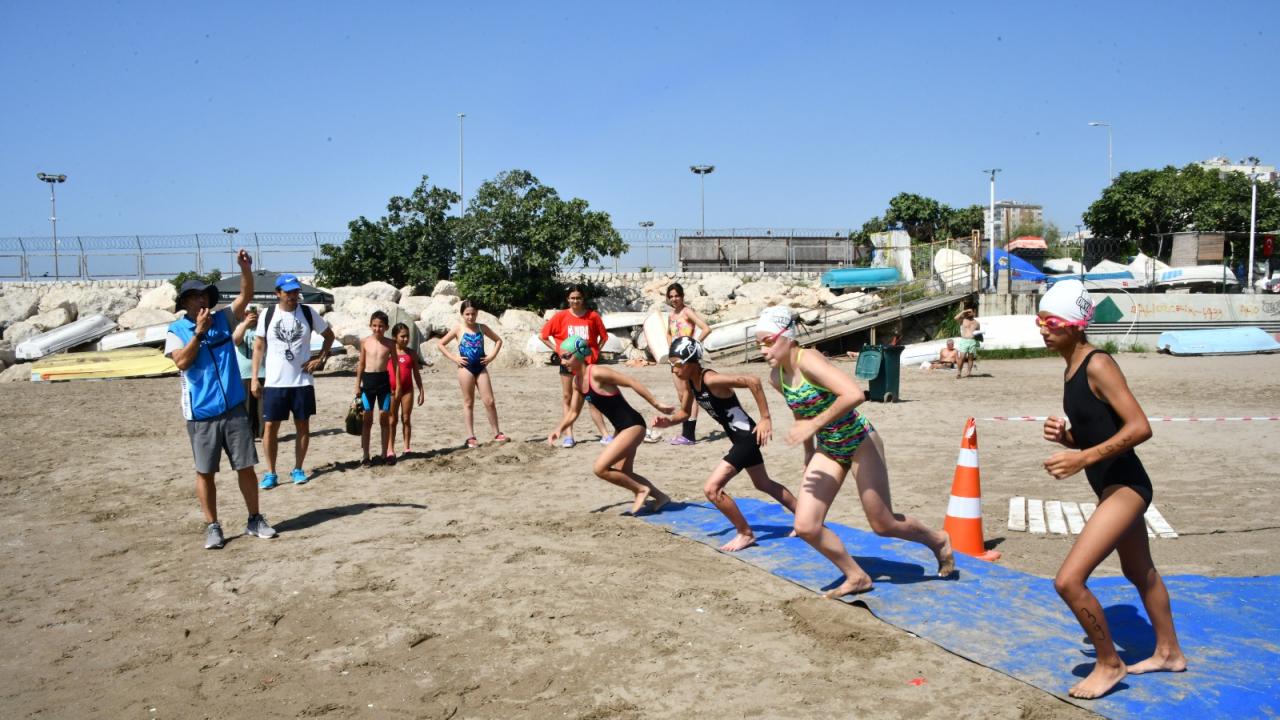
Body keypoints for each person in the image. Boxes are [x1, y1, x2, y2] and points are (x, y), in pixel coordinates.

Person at [1037, 279, 1186, 699]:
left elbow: (1140, 427)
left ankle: (1109, 663)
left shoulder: (1097, 363)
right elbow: (1098, 432)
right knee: (1139, 571)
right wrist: (1066, 439)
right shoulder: (1070, 366)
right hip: (1109, 484)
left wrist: (1081, 458)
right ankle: (1169, 652)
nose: (1043, 329)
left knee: (1068, 580)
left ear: (1076, 324)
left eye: (1051, 321)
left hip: (1127, 484)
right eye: (1040, 320)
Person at [756, 306, 953, 598]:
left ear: (788, 336)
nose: (763, 349)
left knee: (883, 525)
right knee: (806, 525)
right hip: (829, 448)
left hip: (861, 441)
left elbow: (854, 394)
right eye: (759, 343)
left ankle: (938, 541)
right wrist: (809, 452)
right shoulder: (777, 377)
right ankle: (856, 576)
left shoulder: (808, 359)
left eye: (768, 340)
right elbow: (801, 412)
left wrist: (814, 426)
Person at [165, 249, 276, 550]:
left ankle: (254, 518)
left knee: (246, 467)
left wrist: (245, 268)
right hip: (201, 415)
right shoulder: (175, 331)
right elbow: (181, 363)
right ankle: (213, 526)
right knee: (205, 472)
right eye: (194, 296)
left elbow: (246, 293)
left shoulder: (223, 318)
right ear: (185, 303)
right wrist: (198, 335)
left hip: (234, 409)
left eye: (204, 295)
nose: (201, 300)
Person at [653, 337, 797, 551]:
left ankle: (745, 533)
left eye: (677, 363)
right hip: (740, 438)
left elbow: (753, 381)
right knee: (763, 483)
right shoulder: (691, 382)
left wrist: (765, 418)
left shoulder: (711, 379)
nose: (673, 369)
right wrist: (669, 422)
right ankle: (806, 518)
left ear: (692, 361)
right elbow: (684, 413)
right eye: (671, 364)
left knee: (712, 489)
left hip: (748, 438)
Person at [549, 336, 673, 516]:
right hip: (621, 429)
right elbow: (573, 413)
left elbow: (631, 382)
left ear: (580, 354)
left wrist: (656, 404)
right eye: (561, 357)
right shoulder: (577, 382)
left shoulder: (597, 372)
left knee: (600, 468)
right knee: (624, 472)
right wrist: (559, 429)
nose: (563, 361)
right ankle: (661, 497)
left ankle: (640, 490)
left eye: (567, 356)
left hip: (633, 425)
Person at [251, 274, 335, 488]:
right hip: (275, 382)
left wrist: (320, 358)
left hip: (302, 382)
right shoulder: (268, 314)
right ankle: (271, 473)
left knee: (303, 426)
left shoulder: (308, 313)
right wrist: (254, 378)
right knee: (270, 427)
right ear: (277, 293)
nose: (293, 296)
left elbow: (329, 336)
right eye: (288, 292)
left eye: (296, 291)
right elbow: (258, 346)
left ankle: (298, 469)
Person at [539, 285, 611, 448]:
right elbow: (543, 336)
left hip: (587, 365)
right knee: (568, 398)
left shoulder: (592, 316)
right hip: (568, 365)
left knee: (592, 399)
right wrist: (558, 350)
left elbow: (604, 337)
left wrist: (595, 352)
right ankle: (569, 436)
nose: (575, 301)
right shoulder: (560, 316)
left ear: (583, 298)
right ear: (568, 299)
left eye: (578, 298)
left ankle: (605, 434)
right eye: (572, 298)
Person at [437, 300, 508, 448]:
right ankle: (470, 436)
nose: (470, 317)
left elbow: (498, 341)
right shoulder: (458, 328)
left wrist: (491, 357)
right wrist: (454, 358)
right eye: (467, 314)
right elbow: (440, 344)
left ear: (477, 313)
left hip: (481, 368)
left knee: (489, 401)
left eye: (473, 314)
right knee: (468, 402)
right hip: (465, 369)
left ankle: (497, 433)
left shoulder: (482, 328)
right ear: (462, 314)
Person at [663, 283, 712, 446]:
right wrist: (671, 349)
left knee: (689, 395)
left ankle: (689, 434)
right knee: (681, 395)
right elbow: (669, 333)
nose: (674, 299)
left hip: (687, 360)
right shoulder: (671, 315)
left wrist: (693, 344)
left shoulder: (687, 311)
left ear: (682, 296)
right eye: (671, 296)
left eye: (676, 295)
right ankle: (685, 433)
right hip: (675, 360)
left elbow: (706, 328)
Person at [354, 311, 399, 466]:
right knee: (367, 419)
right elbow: (361, 364)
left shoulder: (390, 344)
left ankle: (384, 453)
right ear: (370, 325)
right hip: (368, 383)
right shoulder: (364, 342)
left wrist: (397, 385)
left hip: (383, 383)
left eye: (380, 326)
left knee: (384, 418)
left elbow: (395, 365)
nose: (377, 329)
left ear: (386, 327)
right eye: (374, 325)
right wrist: (357, 385)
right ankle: (365, 455)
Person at [387, 322, 425, 455]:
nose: (406, 339)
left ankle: (406, 447)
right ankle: (390, 448)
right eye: (402, 336)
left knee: (406, 418)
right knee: (392, 420)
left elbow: (416, 373)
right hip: (391, 390)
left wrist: (421, 390)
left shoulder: (412, 353)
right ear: (394, 337)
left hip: (408, 390)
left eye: (407, 336)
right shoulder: (389, 353)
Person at [232, 305, 265, 439]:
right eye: (247, 313)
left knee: (263, 407)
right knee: (247, 407)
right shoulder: (239, 327)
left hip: (264, 372)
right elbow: (235, 340)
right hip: (244, 374)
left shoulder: (263, 328)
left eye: (253, 313)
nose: (251, 315)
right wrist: (245, 324)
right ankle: (249, 434)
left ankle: (264, 434)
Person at [955, 308, 981, 378]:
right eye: (968, 312)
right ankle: (959, 372)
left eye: (970, 312)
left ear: (974, 313)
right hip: (964, 340)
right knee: (962, 357)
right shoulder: (963, 320)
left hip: (972, 341)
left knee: (970, 358)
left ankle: (969, 372)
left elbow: (978, 333)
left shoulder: (977, 323)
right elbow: (956, 318)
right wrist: (964, 311)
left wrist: (979, 340)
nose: (968, 313)